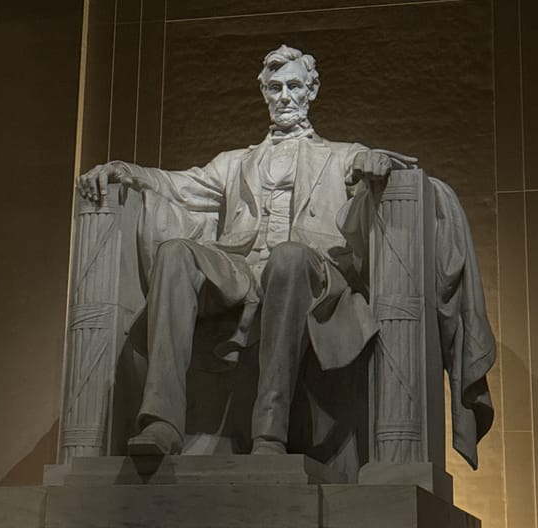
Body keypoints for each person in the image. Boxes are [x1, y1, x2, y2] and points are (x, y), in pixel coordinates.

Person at [76, 45, 415, 456]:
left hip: (307, 273)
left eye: (294, 86)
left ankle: (270, 430)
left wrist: (374, 161)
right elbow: (177, 185)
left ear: (312, 90)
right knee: (175, 253)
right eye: (275, 88)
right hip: (242, 272)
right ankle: (161, 422)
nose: (285, 96)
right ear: (265, 95)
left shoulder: (342, 154)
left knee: (288, 257)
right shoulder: (236, 162)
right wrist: (125, 171)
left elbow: (370, 163)